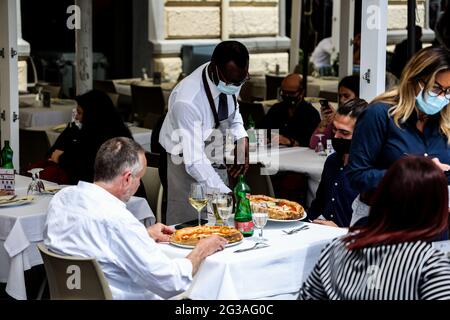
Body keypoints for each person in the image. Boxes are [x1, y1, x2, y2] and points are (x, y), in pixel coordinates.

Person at [44, 137, 227, 300]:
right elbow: (171, 281)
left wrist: (143, 234)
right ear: (127, 179)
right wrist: (201, 249)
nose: (139, 183)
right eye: (140, 178)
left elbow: (92, 243)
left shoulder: (62, 198)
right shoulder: (118, 219)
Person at [299, 156, 450, 300]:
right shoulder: (430, 266)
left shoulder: (337, 248)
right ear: (437, 209)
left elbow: (307, 296)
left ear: (381, 197)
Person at [347, 46, 450, 226]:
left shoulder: (445, 121)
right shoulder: (379, 114)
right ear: (414, 80)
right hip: (382, 221)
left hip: (434, 223)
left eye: (448, 91)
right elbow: (357, 176)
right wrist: (412, 176)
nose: (442, 96)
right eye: (435, 88)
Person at [159, 41, 250, 225]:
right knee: (191, 227)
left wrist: (242, 138)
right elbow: (195, 162)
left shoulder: (231, 77)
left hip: (214, 153)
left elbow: (234, 111)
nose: (236, 86)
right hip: (184, 160)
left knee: (221, 224)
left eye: (241, 81)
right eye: (231, 82)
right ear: (215, 68)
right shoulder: (187, 100)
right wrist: (226, 193)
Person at [44, 90, 133, 185]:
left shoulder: (114, 137)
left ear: (92, 115)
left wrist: (61, 158)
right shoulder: (82, 128)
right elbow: (51, 153)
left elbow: (87, 167)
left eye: (80, 113)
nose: (77, 117)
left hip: (114, 192)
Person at [308, 98, 368, 228]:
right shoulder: (332, 161)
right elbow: (318, 204)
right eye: (334, 129)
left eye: (344, 132)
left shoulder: (370, 171)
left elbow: (376, 227)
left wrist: (340, 231)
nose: (336, 136)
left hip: (352, 242)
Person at [258, 73, 321, 147]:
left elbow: (313, 141)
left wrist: (290, 141)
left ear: (301, 93)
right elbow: (261, 129)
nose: (287, 96)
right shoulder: (276, 109)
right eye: (284, 92)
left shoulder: (310, 114)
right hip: (274, 152)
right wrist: (265, 138)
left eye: (291, 93)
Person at [309, 75, 360, 149]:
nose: (342, 100)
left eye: (346, 96)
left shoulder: (365, 118)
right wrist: (324, 124)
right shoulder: (336, 117)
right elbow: (314, 145)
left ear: (358, 97)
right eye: (340, 96)